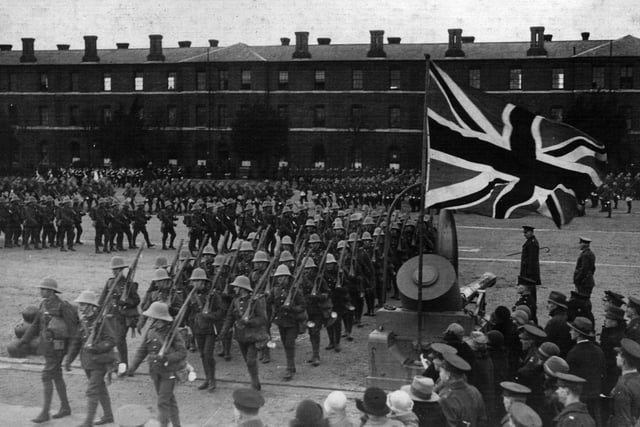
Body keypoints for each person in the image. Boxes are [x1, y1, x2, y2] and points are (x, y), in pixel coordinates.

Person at [19, 278, 78, 423]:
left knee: (47, 375)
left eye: (44, 289)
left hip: (59, 347)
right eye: (41, 289)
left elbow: (73, 330)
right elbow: (35, 325)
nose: (41, 291)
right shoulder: (43, 304)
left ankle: (45, 412)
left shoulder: (62, 306)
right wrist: (24, 340)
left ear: (52, 291)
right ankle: (65, 407)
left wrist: (70, 354)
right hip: (48, 346)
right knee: (56, 375)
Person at [126, 302, 187, 427]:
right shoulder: (151, 331)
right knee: (170, 401)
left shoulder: (172, 333)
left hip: (168, 372)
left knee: (162, 402)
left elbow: (182, 352)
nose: (152, 320)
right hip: (155, 371)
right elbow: (142, 350)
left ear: (161, 319)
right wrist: (132, 367)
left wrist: (167, 358)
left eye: (154, 318)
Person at [65, 290, 117, 426]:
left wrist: (97, 347)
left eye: (83, 304)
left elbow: (111, 340)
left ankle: (88, 422)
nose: (80, 307)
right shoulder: (84, 321)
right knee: (100, 388)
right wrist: (69, 360)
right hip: (87, 362)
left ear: (90, 306)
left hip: (100, 361)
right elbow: (77, 342)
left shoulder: (102, 322)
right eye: (80, 304)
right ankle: (108, 416)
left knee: (92, 390)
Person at [220, 275, 269, 391]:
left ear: (242, 288)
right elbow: (230, 317)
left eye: (236, 287)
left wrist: (250, 322)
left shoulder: (255, 301)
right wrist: (224, 331)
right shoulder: (235, 301)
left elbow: (263, 319)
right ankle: (254, 379)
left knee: (251, 360)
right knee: (247, 361)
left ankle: (255, 383)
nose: (234, 289)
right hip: (241, 336)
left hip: (253, 336)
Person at [565, 316, 605, 425]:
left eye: (572, 330)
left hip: (580, 397)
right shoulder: (598, 350)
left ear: (578, 333)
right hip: (595, 395)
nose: (570, 332)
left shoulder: (573, 353)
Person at [438, 352, 487, 427]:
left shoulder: (445, 397)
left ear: (448, 374)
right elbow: (482, 420)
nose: (439, 374)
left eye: (441, 371)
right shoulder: (474, 391)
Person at [608, 338, 640, 427]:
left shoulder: (623, 385)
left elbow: (623, 420)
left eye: (618, 354)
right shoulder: (637, 379)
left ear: (624, 360)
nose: (616, 357)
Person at [519, 225, 540, 323]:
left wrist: (527, 278)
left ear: (531, 232)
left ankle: (531, 316)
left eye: (526, 232)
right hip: (528, 274)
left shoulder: (532, 243)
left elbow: (531, 262)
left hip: (529, 275)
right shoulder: (531, 242)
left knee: (530, 295)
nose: (524, 234)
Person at [544, 291, 571, 357]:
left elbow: (546, 340)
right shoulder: (567, 317)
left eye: (549, 303)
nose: (548, 306)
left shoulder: (554, 322)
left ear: (555, 305)